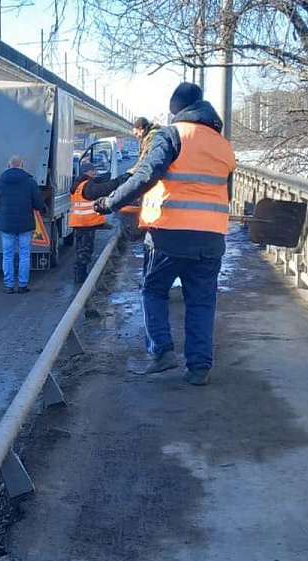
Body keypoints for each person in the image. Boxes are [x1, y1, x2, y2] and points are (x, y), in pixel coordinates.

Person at [94, 82, 236, 386]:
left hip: (169, 233)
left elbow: (146, 174)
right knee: (201, 301)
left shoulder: (173, 135)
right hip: (212, 237)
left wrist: (109, 202)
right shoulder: (223, 145)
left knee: (153, 290)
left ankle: (162, 351)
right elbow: (227, 193)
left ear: (176, 109)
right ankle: (199, 368)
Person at [0, 155, 45, 294]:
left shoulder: (0, 181)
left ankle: (8, 286)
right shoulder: (30, 182)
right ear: (22, 165)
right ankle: (22, 285)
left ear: (8, 165)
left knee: (7, 255)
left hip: (6, 224)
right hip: (25, 224)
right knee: (24, 255)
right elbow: (38, 204)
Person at [69, 160, 128, 283]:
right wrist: (118, 181)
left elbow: (99, 184)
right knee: (85, 251)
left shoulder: (79, 185)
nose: (95, 172)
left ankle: (79, 274)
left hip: (79, 223)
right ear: (87, 172)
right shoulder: (87, 186)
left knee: (81, 249)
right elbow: (102, 190)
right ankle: (80, 277)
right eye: (93, 170)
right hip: (86, 224)